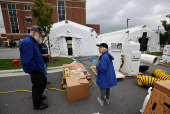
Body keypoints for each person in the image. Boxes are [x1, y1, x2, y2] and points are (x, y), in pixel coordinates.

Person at [19, 25, 50, 110]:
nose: (40, 36)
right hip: (35, 69)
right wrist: (36, 68)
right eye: (39, 34)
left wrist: (43, 55)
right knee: (37, 86)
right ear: (34, 32)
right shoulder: (28, 42)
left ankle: (39, 95)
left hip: (38, 67)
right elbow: (27, 60)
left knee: (43, 82)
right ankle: (37, 104)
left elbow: (34, 54)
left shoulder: (33, 42)